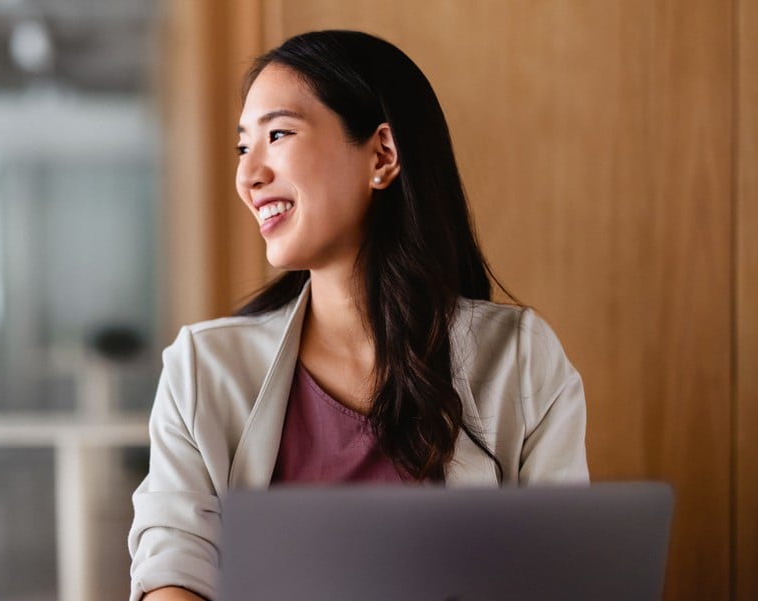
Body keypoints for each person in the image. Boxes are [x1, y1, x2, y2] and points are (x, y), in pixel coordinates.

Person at [128, 30, 588, 601]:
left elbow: (563, 574)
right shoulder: (203, 369)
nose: (249, 176)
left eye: (277, 134)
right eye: (243, 147)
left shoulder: (520, 358)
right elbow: (173, 568)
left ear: (382, 155)